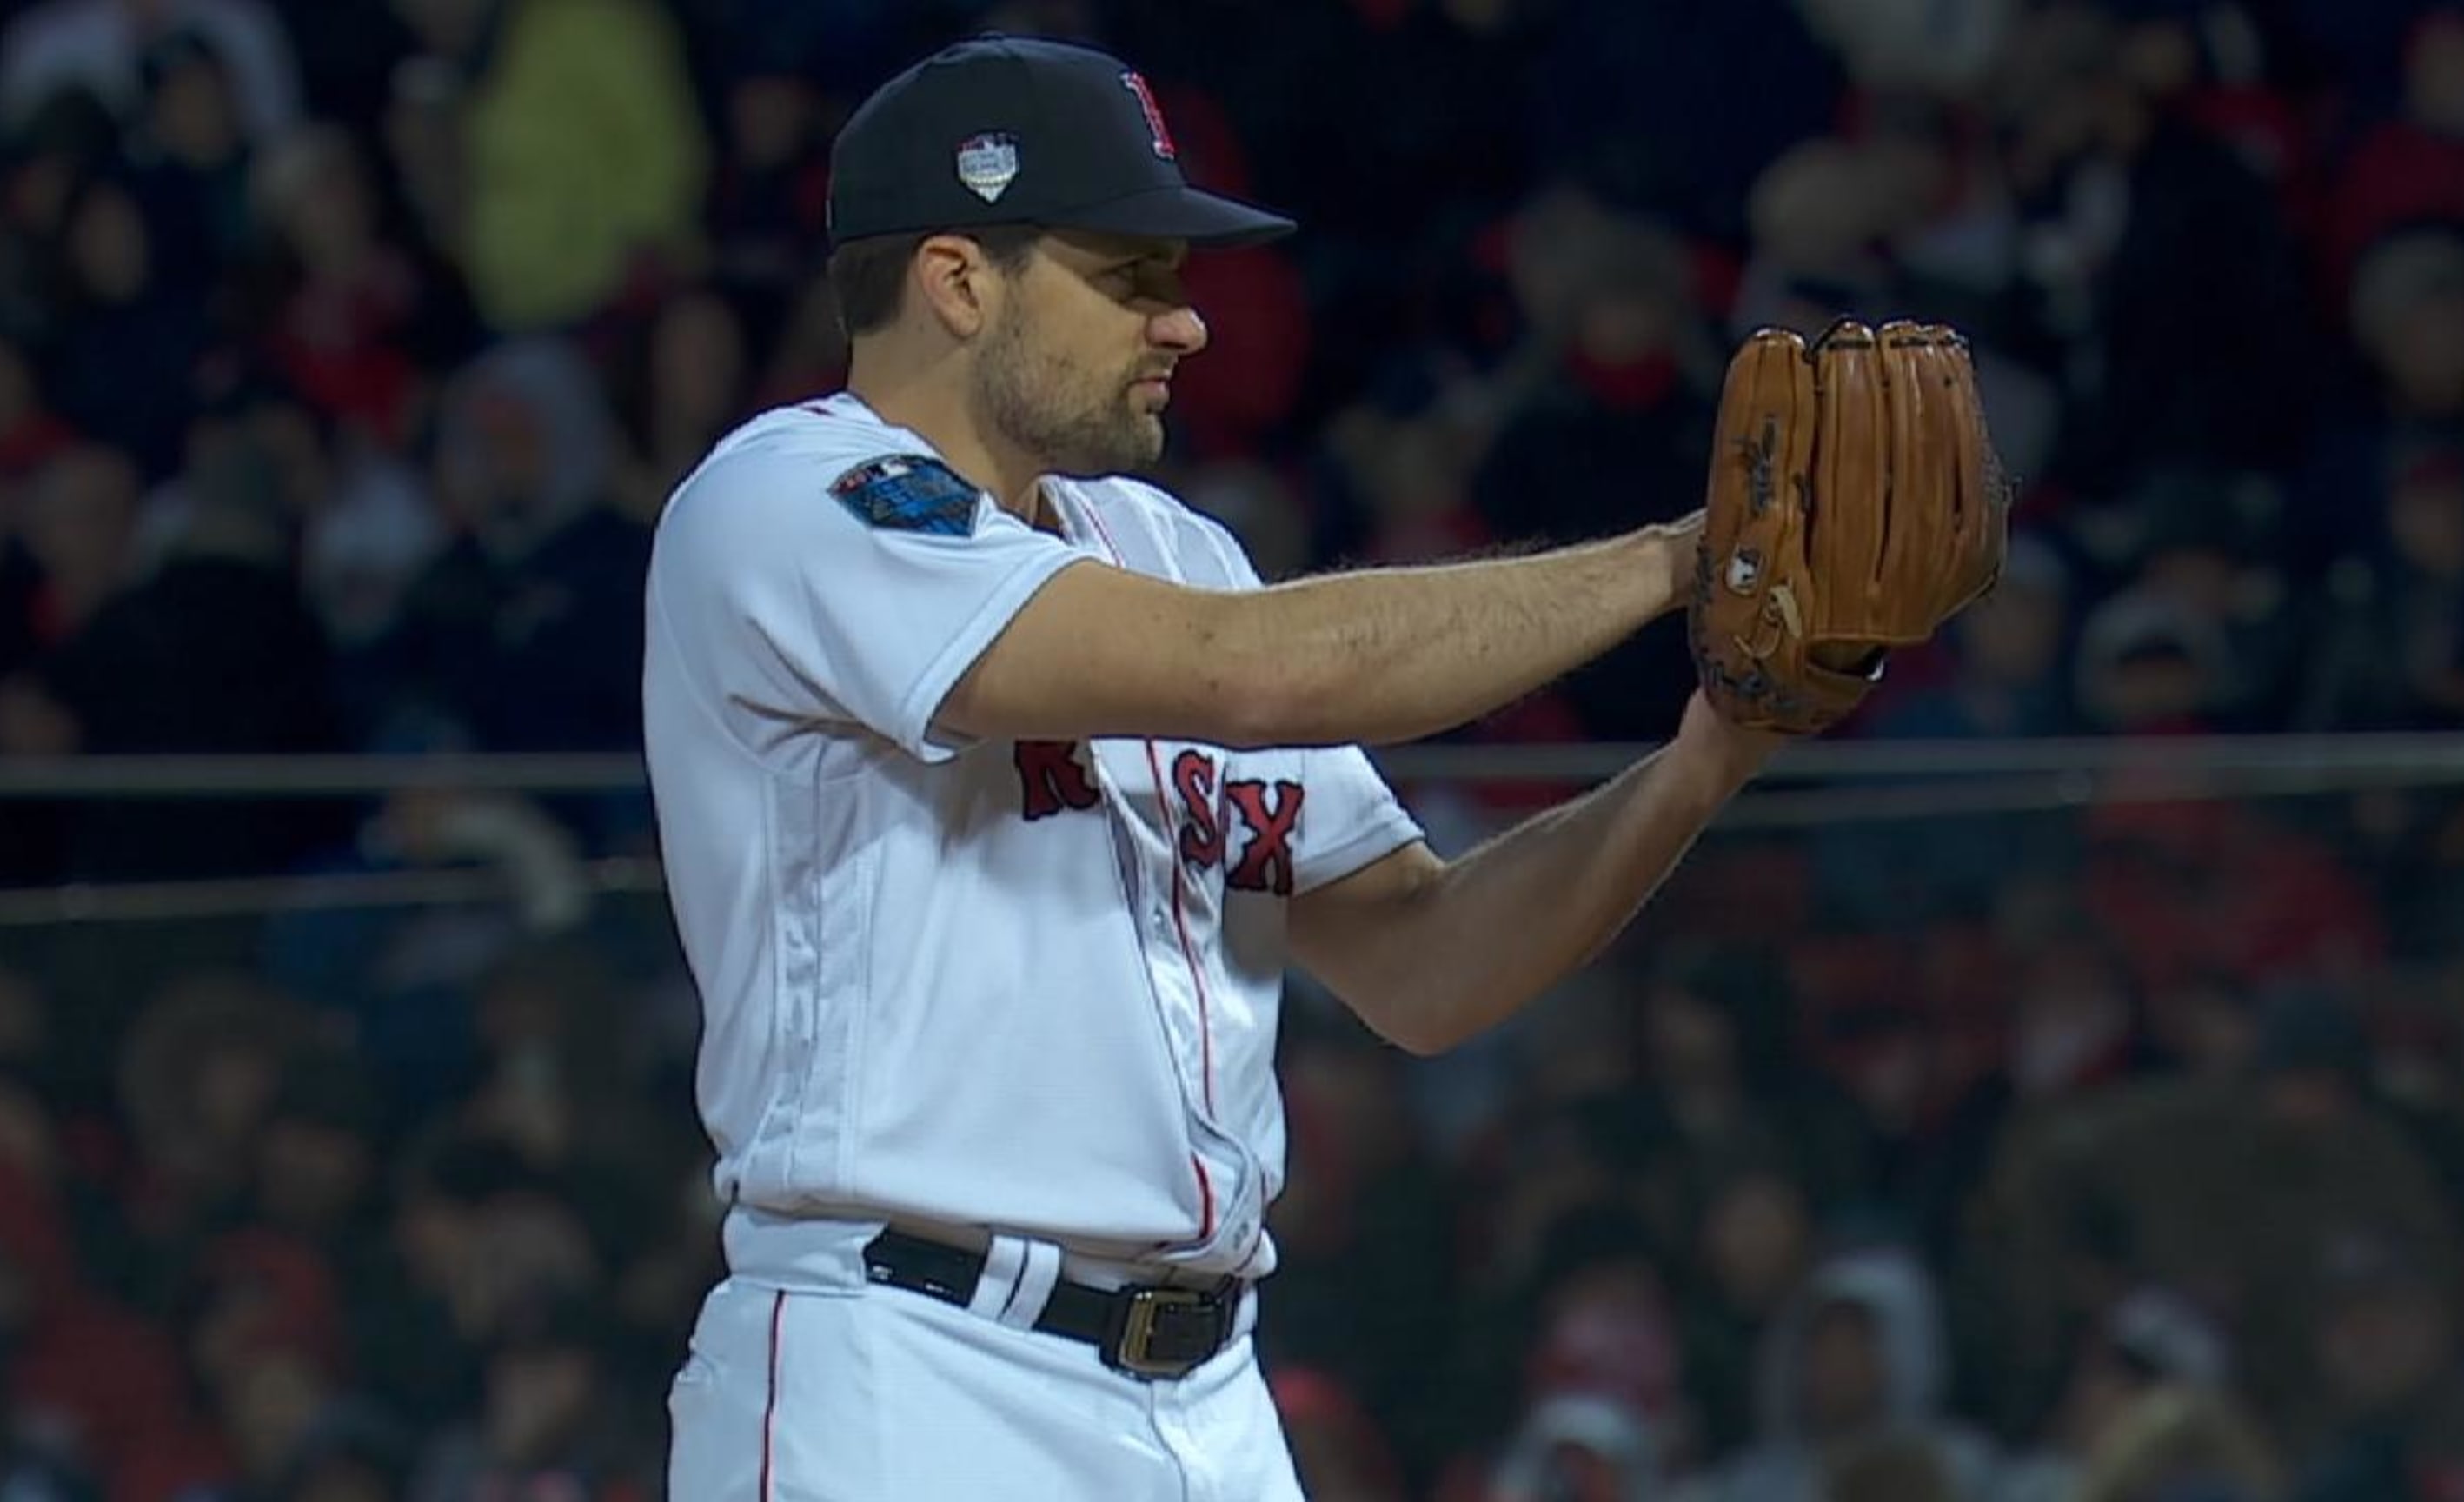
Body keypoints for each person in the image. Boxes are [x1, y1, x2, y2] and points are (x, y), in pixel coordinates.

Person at [643, 34, 1788, 1502]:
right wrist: (1685, 559)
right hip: (909, 1372)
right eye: (1130, 276)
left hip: (1210, 1397)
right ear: (959, 281)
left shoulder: (1170, 549)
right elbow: (1251, 675)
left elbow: (1426, 964)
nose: (1186, 322)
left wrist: (1709, 756)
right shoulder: (787, 502)